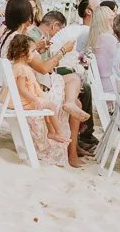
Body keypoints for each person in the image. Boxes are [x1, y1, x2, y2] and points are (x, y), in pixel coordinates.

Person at [4, 34, 72, 168]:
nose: (34, 54)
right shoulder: (22, 68)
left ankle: (52, 132)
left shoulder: (18, 65)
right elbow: (22, 88)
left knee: (47, 105)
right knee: (51, 106)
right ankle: (57, 132)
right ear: (23, 53)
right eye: (33, 51)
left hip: (20, 100)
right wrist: (35, 99)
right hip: (22, 102)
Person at [86, 6, 120, 94]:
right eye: (112, 18)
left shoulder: (94, 39)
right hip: (111, 87)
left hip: (99, 86)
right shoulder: (109, 39)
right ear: (107, 20)